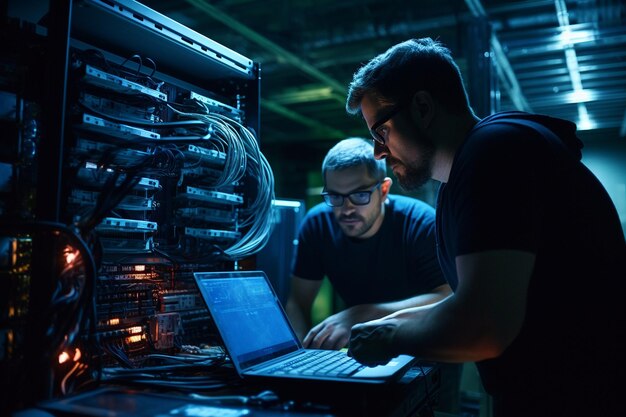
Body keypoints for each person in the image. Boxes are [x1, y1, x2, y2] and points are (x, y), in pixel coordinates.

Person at [344, 38, 626, 417]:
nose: (378, 151)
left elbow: (484, 326)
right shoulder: (461, 179)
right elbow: (477, 295)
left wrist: (391, 338)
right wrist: (389, 321)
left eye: (381, 132)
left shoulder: (494, 154)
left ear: (423, 107)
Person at [285, 137, 461, 413]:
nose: (347, 209)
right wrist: (301, 357)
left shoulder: (422, 224)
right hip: (364, 351)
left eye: (360, 195)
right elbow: (297, 302)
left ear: (384, 189)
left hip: (429, 352)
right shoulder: (317, 224)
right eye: (335, 196)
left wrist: (362, 313)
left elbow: (450, 298)